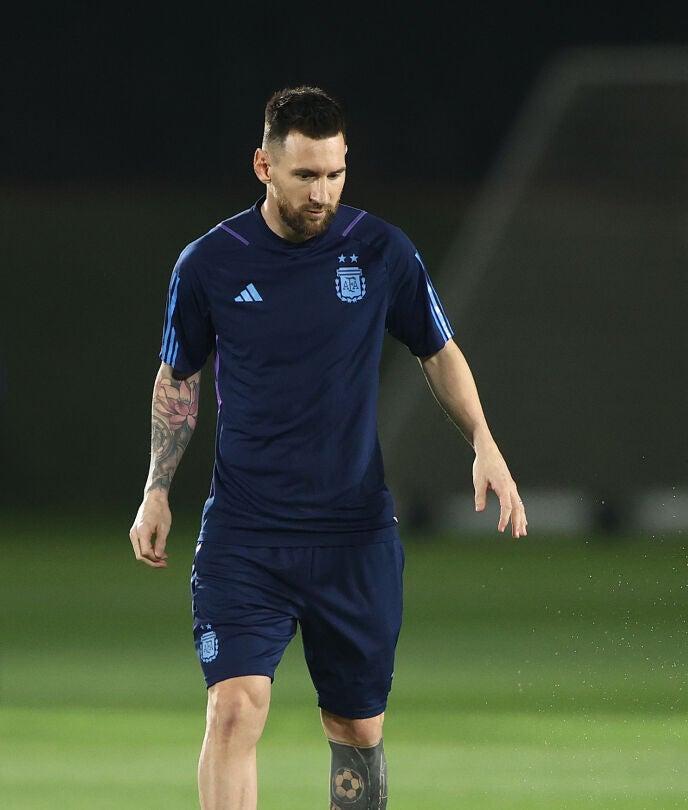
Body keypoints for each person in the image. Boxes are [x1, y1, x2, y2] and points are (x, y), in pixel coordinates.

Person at [127, 85, 527, 810]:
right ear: (264, 167)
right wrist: (157, 488)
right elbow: (177, 378)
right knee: (233, 709)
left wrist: (484, 441)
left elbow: (437, 350)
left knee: (356, 728)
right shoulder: (210, 263)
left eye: (336, 174)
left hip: (353, 535)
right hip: (246, 534)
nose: (323, 193)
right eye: (306, 175)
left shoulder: (381, 251)